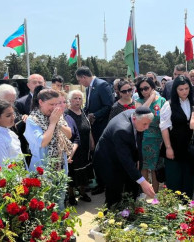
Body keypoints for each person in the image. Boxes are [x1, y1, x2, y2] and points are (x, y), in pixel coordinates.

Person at [93, 106, 155, 208]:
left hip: (121, 155)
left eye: (148, 124)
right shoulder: (122, 130)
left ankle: (129, 214)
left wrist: (139, 165)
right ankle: (109, 219)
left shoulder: (137, 116)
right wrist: (143, 181)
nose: (147, 127)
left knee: (133, 187)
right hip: (108, 161)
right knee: (114, 193)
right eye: (145, 124)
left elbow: (137, 143)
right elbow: (125, 160)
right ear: (134, 119)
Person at [75, 66, 113, 195]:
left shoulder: (102, 85)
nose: (80, 83)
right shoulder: (89, 88)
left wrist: (95, 115)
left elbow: (109, 105)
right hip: (93, 128)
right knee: (96, 157)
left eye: (80, 80)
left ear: (84, 77)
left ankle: (105, 184)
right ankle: (100, 183)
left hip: (101, 127)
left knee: (102, 156)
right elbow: (89, 106)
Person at [159, 76, 194, 198]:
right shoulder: (168, 105)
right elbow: (164, 127)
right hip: (174, 146)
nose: (184, 91)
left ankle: (188, 208)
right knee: (174, 179)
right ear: (175, 90)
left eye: (186, 88)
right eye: (181, 89)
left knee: (189, 179)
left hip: (190, 147)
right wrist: (168, 147)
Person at [24, 87, 73, 173]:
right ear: (41, 102)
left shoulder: (57, 115)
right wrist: (53, 123)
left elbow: (69, 135)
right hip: (42, 168)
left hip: (60, 166)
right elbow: (42, 142)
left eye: (56, 104)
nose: (54, 107)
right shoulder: (32, 119)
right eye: (51, 104)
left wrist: (58, 123)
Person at [135, 77, 166, 193]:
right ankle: (144, 194)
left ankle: (155, 195)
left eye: (146, 88)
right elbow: (140, 112)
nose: (144, 91)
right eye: (141, 89)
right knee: (143, 167)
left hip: (158, 138)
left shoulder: (162, 101)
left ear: (152, 87)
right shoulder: (139, 101)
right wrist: (151, 97)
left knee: (155, 168)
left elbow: (165, 121)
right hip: (143, 138)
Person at [66, 90, 95, 203]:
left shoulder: (83, 112)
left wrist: (92, 141)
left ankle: (83, 193)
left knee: (84, 172)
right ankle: (71, 195)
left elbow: (88, 128)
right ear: (70, 100)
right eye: (75, 98)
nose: (77, 101)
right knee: (72, 172)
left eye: (80, 98)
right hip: (73, 148)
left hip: (85, 148)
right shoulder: (67, 114)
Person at [0, 100, 24, 168]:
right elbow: (3, 168)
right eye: (8, 115)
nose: (13, 117)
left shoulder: (9, 132)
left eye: (13, 114)